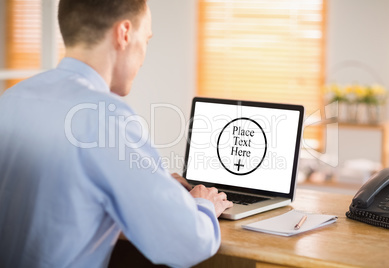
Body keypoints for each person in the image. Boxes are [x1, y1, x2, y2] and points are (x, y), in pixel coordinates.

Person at [0, 0, 233, 267]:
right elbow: (185, 244)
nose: (144, 56)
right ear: (124, 33)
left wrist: (153, 184)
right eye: (146, 40)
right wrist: (203, 205)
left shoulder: (13, 98)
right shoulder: (106, 116)